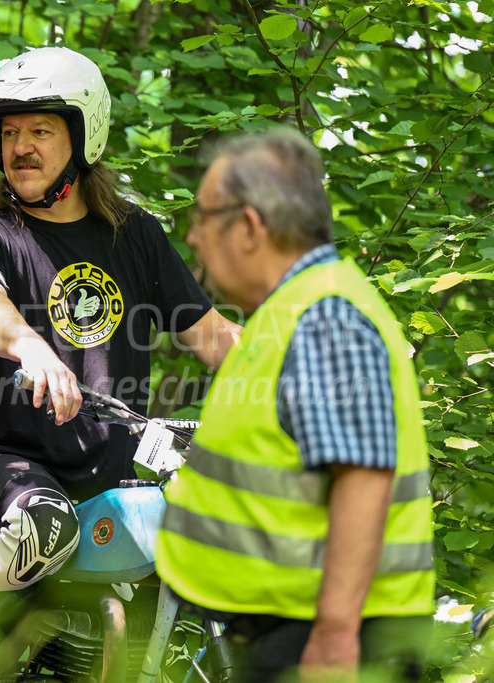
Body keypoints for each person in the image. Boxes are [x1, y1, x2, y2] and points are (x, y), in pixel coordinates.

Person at [0, 46, 241, 633]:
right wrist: (28, 346)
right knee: (43, 525)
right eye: (9, 132)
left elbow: (211, 334)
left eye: (40, 130)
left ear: (82, 135)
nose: (20, 147)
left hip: (111, 475)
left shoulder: (134, 236)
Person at [154, 128, 435, 682]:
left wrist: (334, 637)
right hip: (290, 632)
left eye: (204, 218)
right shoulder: (288, 314)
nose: (192, 237)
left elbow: (362, 475)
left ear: (251, 227)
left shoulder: (325, 316)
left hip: (326, 641)